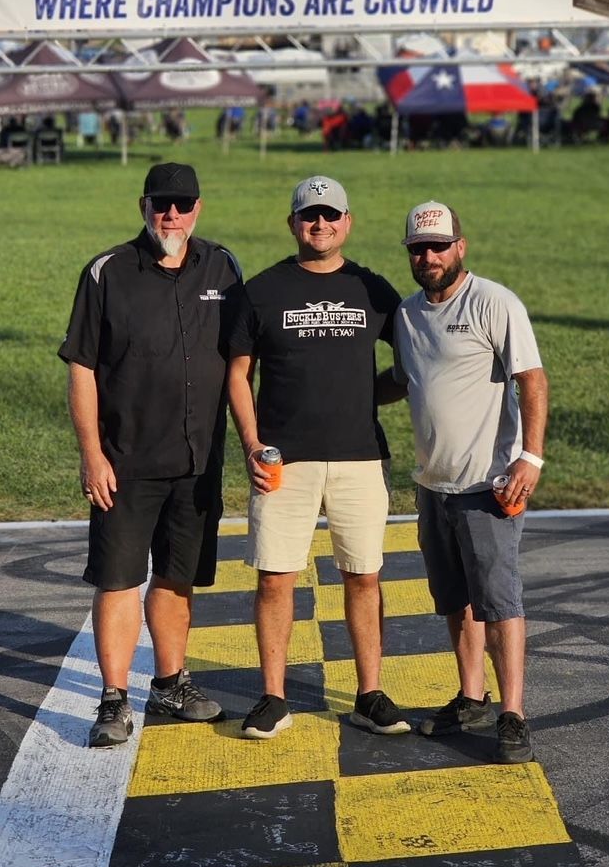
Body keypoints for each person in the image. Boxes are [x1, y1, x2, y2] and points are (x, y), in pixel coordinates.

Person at [59, 163, 241, 748]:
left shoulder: (224, 267)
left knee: (176, 579)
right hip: (126, 459)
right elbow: (82, 368)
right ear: (143, 205)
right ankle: (113, 700)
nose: (171, 215)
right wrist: (93, 454)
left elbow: (242, 360)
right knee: (117, 581)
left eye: (182, 204)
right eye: (161, 204)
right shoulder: (106, 272)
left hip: (197, 461)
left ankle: (170, 682)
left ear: (198, 207)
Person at [227, 176, 410, 740]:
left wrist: (366, 396)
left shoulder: (374, 290)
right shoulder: (262, 291)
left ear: (348, 222)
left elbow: (410, 367)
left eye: (331, 215)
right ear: (293, 223)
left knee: (364, 576)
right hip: (286, 461)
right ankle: (273, 697)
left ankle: (369, 693)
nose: (321, 224)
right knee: (276, 578)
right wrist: (253, 444)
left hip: (359, 458)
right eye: (310, 216)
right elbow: (238, 374)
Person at [378, 201, 548, 764]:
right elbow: (402, 382)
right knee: (455, 601)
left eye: (439, 246)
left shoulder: (494, 302)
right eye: (418, 249)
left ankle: (513, 713)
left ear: (461, 246)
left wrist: (530, 458)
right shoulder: (406, 316)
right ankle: (472, 696)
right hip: (434, 483)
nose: (429, 257)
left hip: (489, 483)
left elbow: (532, 380)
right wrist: (326, 390)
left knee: (499, 601)